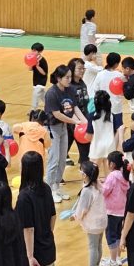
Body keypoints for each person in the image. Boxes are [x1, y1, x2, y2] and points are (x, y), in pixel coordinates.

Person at [44, 65, 85, 202]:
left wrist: (84, 122)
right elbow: (57, 114)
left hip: (64, 127)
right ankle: (49, 189)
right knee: (54, 159)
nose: (69, 80)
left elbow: (75, 108)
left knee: (62, 159)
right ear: (58, 78)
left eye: (70, 77)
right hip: (52, 128)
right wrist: (75, 122)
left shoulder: (70, 90)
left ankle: (56, 187)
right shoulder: (51, 93)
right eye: (66, 77)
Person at [72, 161, 106, 266]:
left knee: (92, 246)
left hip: (93, 223)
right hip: (102, 220)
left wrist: (75, 216)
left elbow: (83, 209)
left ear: (85, 175)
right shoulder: (98, 185)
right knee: (98, 245)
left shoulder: (87, 191)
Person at [101, 152, 130, 266]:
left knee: (111, 237)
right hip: (121, 211)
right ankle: (117, 258)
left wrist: (99, 186)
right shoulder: (124, 175)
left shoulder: (112, 176)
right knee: (118, 235)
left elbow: (105, 191)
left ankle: (112, 262)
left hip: (111, 212)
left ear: (112, 164)